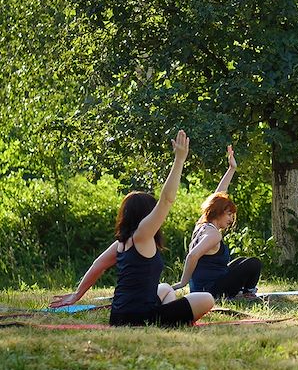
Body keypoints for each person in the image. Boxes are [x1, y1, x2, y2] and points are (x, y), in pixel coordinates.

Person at [50, 130, 215, 326]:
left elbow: (98, 265)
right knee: (207, 299)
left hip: (119, 316)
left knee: (164, 288)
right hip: (139, 318)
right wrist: (179, 160)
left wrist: (77, 294)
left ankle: (170, 319)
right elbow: (167, 200)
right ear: (145, 214)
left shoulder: (122, 243)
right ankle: (169, 322)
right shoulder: (142, 235)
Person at [172, 145, 262, 299]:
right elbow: (192, 256)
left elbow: (218, 195)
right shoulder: (214, 235)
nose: (231, 219)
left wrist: (232, 169)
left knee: (240, 261)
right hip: (210, 290)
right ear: (218, 212)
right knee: (254, 263)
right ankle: (248, 293)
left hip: (205, 286)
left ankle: (242, 291)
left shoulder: (202, 223)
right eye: (228, 215)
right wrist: (182, 282)